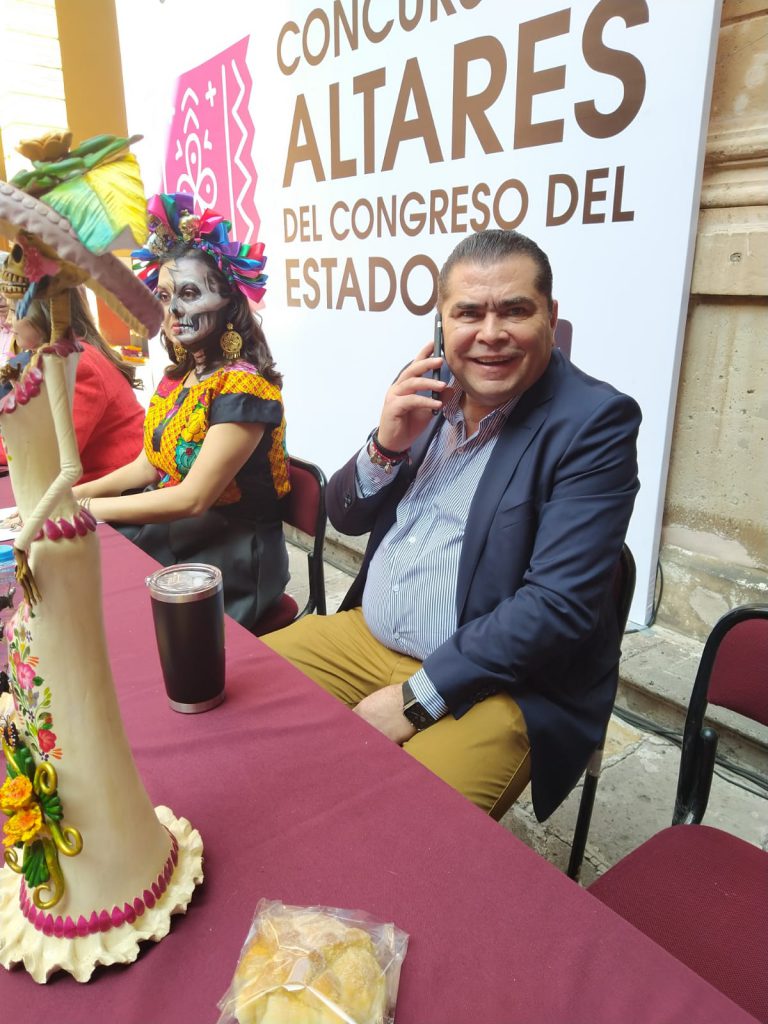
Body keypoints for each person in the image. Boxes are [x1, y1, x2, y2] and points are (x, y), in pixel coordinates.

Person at [264, 229, 642, 823]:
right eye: (469, 313)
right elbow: (344, 515)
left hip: (502, 683)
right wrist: (386, 444)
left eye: (514, 310)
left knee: (397, 829)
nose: (491, 333)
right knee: (240, 704)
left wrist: (414, 699)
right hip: (367, 637)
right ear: (441, 323)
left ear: (550, 317)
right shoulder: (429, 385)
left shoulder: (595, 423)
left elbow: (557, 606)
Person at [74, 193, 290, 627]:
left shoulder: (245, 388)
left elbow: (193, 499)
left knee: (112, 607)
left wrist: (91, 508)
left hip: (233, 556)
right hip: (181, 532)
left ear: (229, 302)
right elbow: (147, 465)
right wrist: (75, 496)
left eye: (189, 293)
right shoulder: (179, 376)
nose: (173, 310)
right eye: (165, 295)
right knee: (87, 577)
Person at [0, 286, 145, 481]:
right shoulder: (64, 357)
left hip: (111, 490)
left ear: (41, 313)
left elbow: (49, 453)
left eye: (13, 311)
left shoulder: (76, 364)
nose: (9, 321)